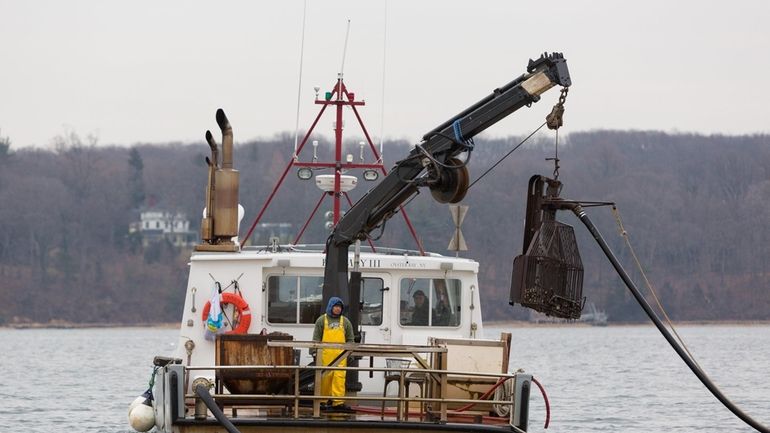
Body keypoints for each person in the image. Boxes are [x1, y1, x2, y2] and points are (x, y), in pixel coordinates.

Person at [312, 296, 355, 412]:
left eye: (340, 307)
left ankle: (338, 403)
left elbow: (350, 339)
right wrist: (313, 353)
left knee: (339, 378)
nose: (338, 309)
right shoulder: (321, 320)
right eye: (336, 306)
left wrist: (350, 353)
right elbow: (316, 338)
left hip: (341, 356)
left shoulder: (345, 322)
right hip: (325, 355)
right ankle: (322, 401)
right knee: (325, 378)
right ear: (330, 306)